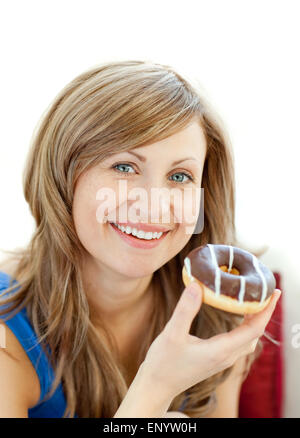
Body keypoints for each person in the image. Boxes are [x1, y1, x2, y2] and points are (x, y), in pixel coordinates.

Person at [0, 60, 281, 418]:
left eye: (180, 176)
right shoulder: (7, 333)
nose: (154, 205)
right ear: (61, 176)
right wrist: (156, 388)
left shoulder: (216, 314)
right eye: (123, 167)